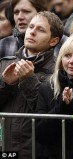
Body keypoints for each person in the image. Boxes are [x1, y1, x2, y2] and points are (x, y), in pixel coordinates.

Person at [0, 11, 64, 158]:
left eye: (40, 30)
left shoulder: (59, 71)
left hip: (36, 151)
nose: (32, 32)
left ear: (53, 41)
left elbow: (50, 115)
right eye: (31, 27)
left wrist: (29, 79)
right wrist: (6, 85)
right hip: (4, 147)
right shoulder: (4, 63)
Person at [0, 0, 67, 58]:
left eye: (26, 11)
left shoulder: (65, 45)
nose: (19, 17)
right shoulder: (4, 45)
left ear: (41, 13)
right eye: (16, 12)